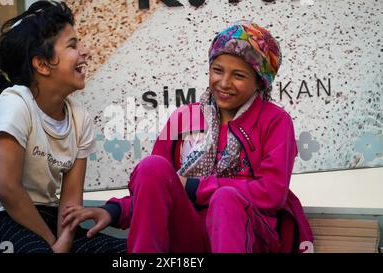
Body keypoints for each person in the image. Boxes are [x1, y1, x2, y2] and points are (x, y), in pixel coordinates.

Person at [62, 20, 313, 253]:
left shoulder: (275, 121)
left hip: (247, 236)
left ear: (260, 82)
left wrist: (195, 187)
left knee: (226, 199)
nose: (224, 83)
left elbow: (271, 193)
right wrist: (114, 211)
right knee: (152, 167)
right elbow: (159, 188)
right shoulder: (184, 118)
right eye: (217, 70)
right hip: (190, 231)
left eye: (239, 75)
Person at [0, 0, 126, 253]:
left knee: (130, 253)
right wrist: (53, 244)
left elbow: (70, 205)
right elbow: (7, 189)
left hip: (51, 217)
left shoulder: (79, 118)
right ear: (42, 64)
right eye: (73, 45)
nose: (85, 52)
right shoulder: (16, 103)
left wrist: (64, 239)